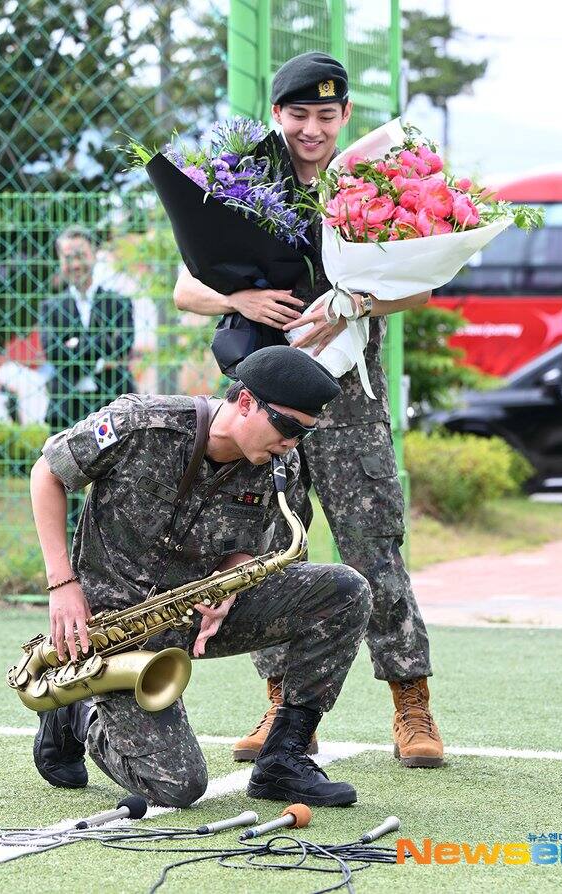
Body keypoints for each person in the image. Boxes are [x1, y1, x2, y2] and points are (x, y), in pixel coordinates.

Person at [173, 51, 444, 769]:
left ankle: (410, 702)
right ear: (276, 115)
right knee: (266, 552)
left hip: (348, 396)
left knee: (372, 544)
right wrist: (240, 299)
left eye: (326, 115)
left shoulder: (376, 183)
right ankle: (283, 705)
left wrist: (355, 299)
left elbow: (422, 286)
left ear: (345, 116)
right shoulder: (241, 181)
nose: (312, 129)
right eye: (299, 115)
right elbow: (184, 286)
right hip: (265, 401)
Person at [30, 346, 372, 807]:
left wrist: (230, 586)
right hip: (110, 626)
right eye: (288, 427)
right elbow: (47, 473)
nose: (293, 444)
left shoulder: (279, 464)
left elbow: (248, 546)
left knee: (347, 591)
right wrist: (62, 585)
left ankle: (283, 759)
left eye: (304, 434)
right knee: (178, 786)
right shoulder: (142, 423)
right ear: (246, 401)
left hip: (197, 613)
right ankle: (79, 711)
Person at [40, 226, 136, 531]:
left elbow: (123, 345)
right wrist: (99, 349)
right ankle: (69, 555)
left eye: (80, 255)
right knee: (65, 481)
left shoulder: (118, 302)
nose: (75, 263)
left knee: (113, 478)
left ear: (93, 255)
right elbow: (53, 353)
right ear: (60, 261)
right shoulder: (50, 308)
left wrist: (75, 346)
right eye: (68, 257)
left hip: (110, 406)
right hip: (66, 407)